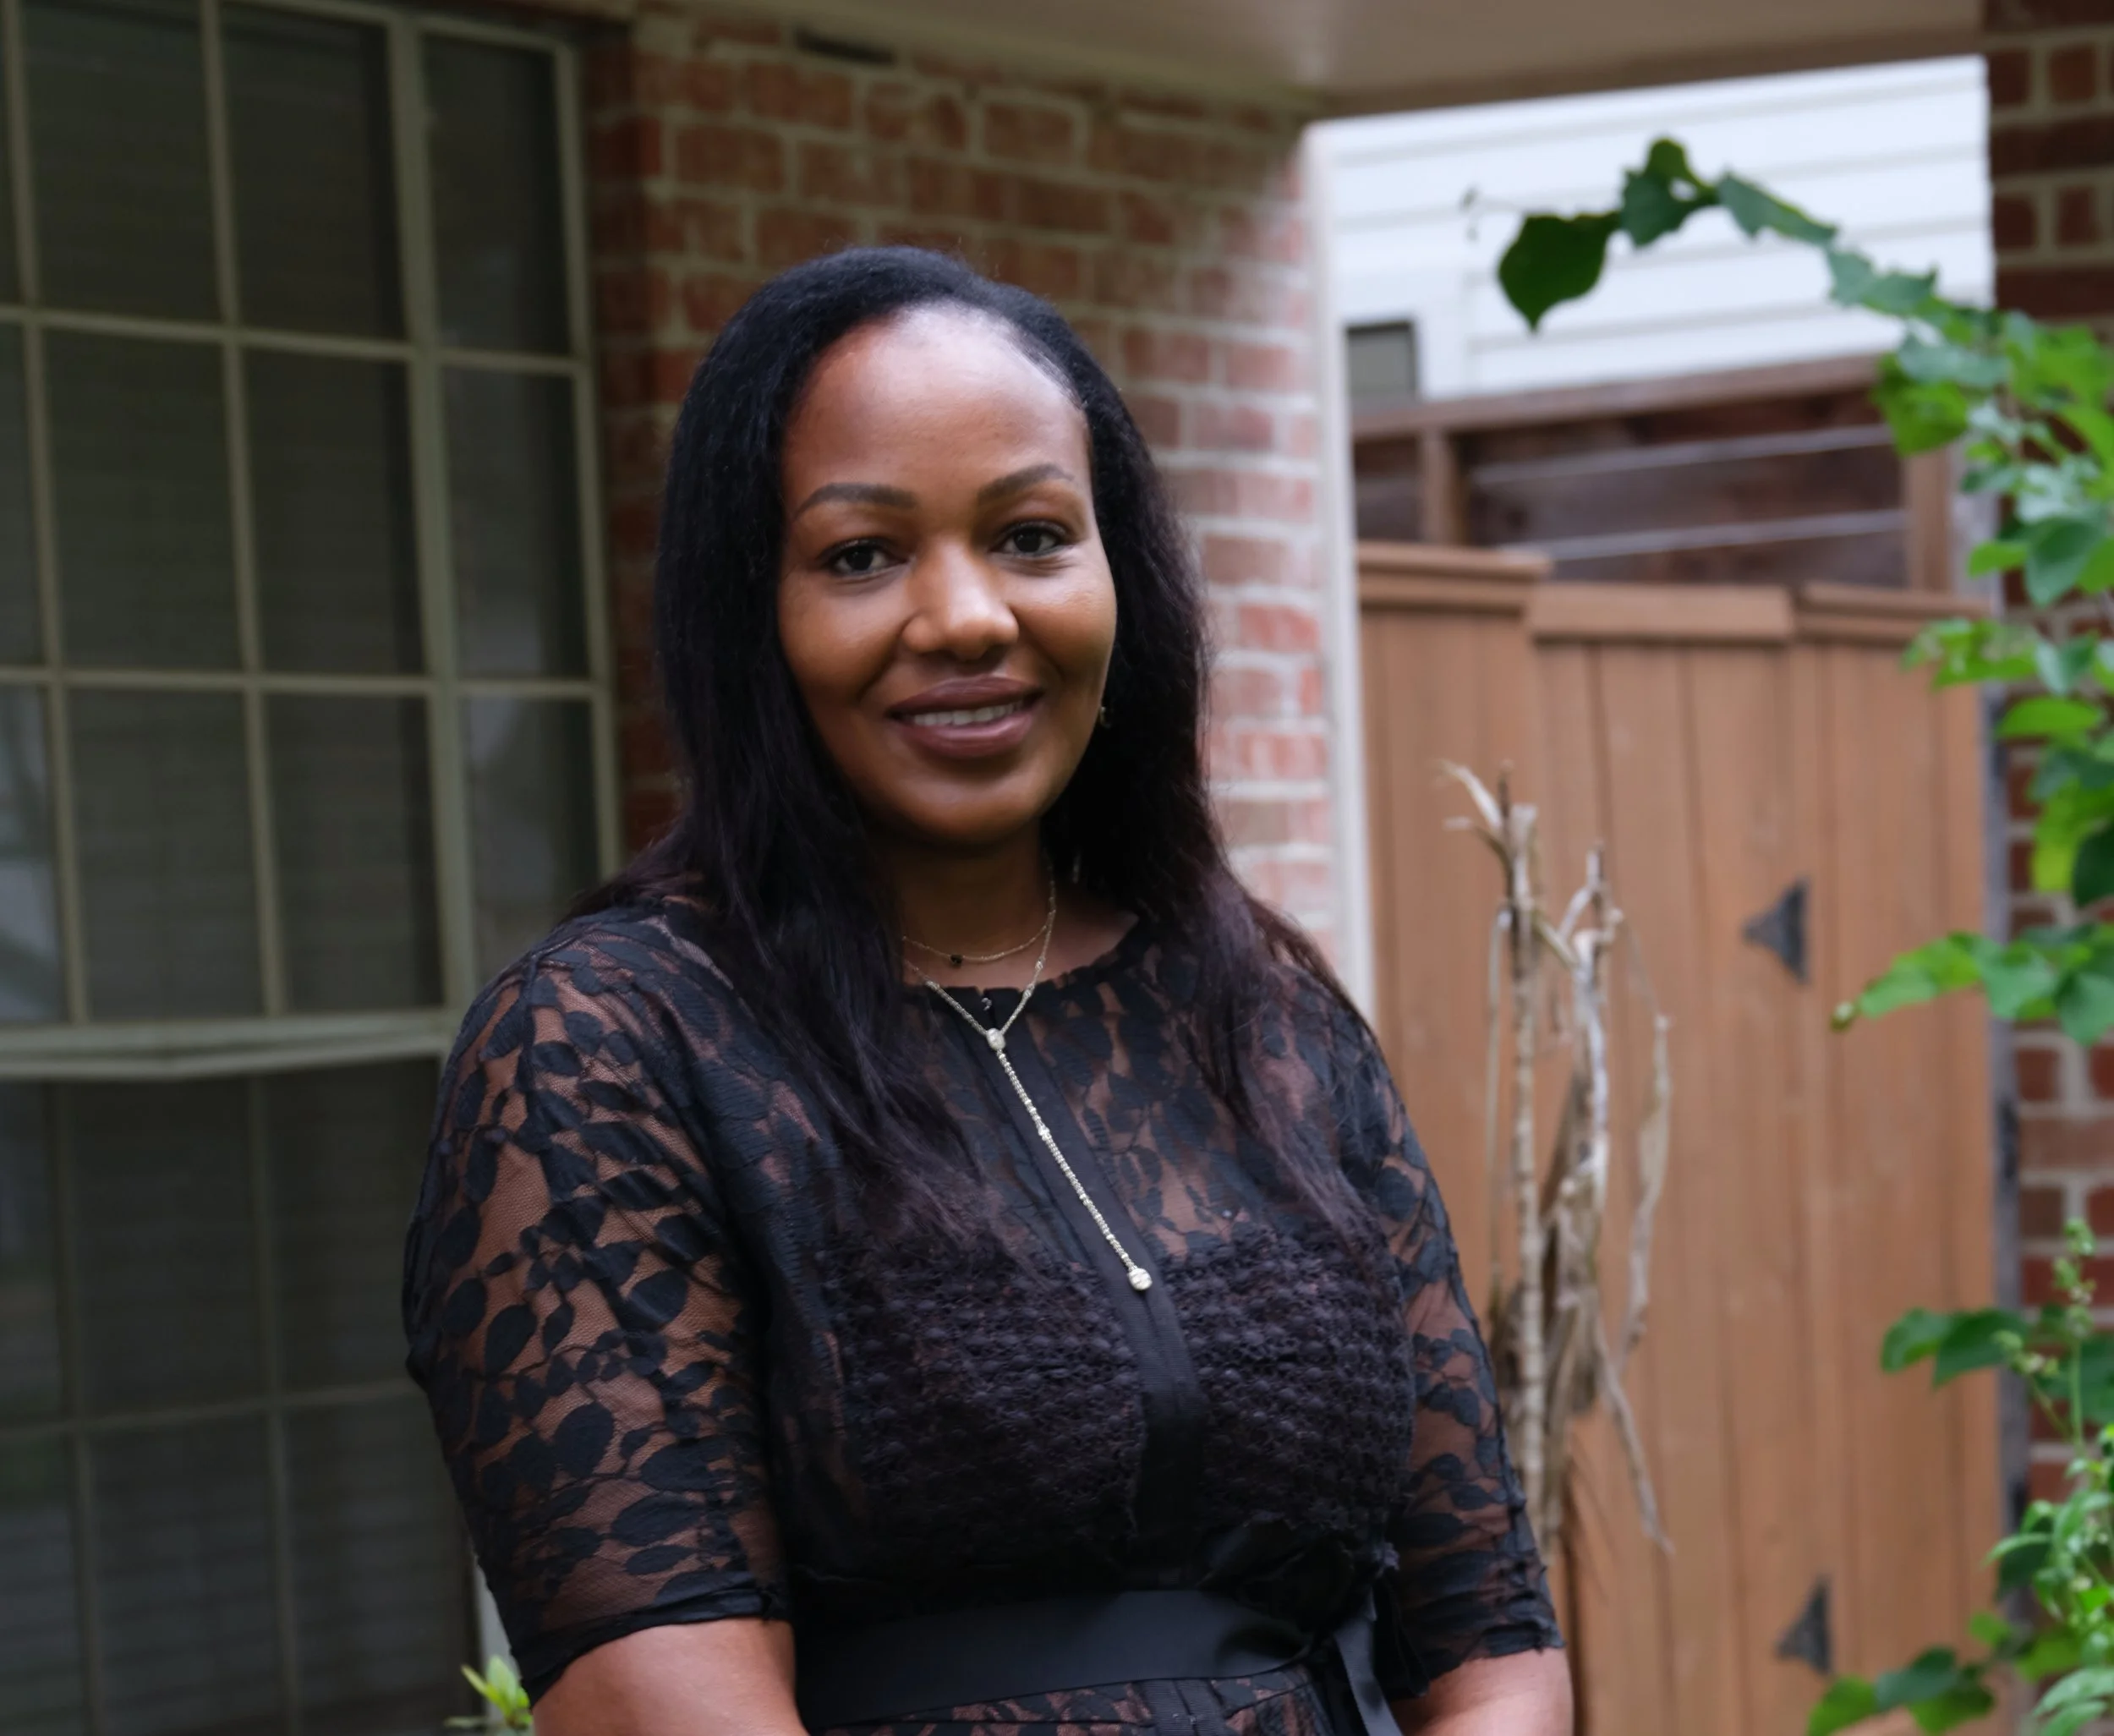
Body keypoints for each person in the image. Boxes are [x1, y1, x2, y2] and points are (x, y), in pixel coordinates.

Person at [403, 246, 1569, 1736]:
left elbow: (1490, 1639)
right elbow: (661, 1701)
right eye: (860, 555)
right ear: (747, 613)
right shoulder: (607, 1048)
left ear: (1120, 578)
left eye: (1030, 537)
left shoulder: (1261, 1008)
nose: (966, 616)